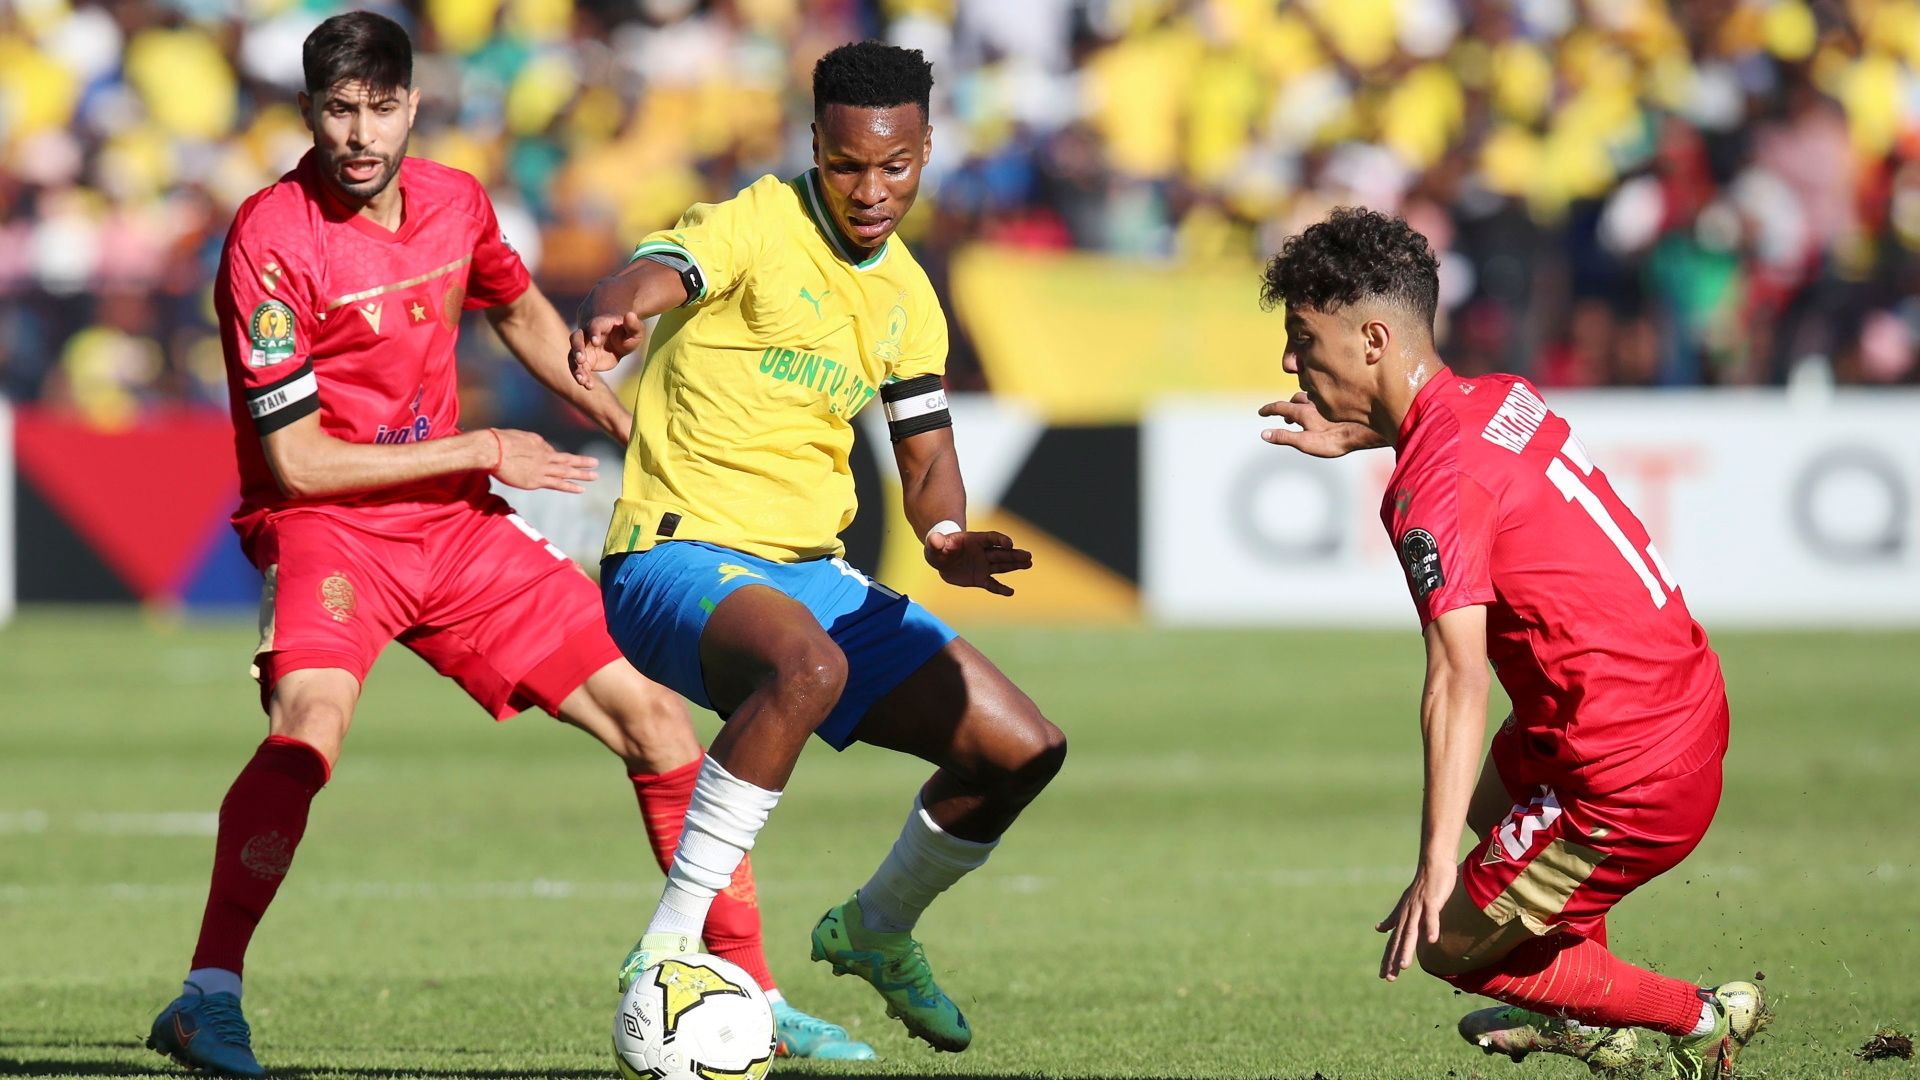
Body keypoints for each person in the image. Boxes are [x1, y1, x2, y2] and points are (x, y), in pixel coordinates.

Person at [145, 14, 869, 1077]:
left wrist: (626, 420)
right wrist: (486, 446)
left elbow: (521, 311)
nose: (360, 134)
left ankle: (750, 992)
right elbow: (296, 464)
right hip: (330, 530)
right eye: (338, 111)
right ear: (307, 113)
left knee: (655, 718)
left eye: (379, 109)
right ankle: (206, 997)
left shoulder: (457, 202)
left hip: (454, 527)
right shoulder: (272, 237)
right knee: (309, 731)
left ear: (413, 106)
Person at [567, 40, 1067, 1054]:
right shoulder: (756, 220)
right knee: (809, 667)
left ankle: (877, 928)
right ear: (814, 148)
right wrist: (622, 307)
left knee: (1019, 750)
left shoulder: (908, 295)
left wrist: (945, 533)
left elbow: (926, 453)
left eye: (895, 166)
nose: (870, 191)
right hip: (674, 553)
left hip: (809, 573)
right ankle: (668, 946)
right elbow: (663, 267)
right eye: (846, 166)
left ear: (927, 149)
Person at [1254, 208, 1770, 1079]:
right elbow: (1454, 449)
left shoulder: (1433, 488)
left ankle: (1698, 1018)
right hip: (1673, 705)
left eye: (1303, 338)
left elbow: (1457, 679)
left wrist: (1434, 866)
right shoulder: (1499, 395)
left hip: (1627, 775)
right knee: (1494, 803)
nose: (1288, 361)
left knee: (1449, 944)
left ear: (1372, 339)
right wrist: (1365, 428)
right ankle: (1589, 1014)